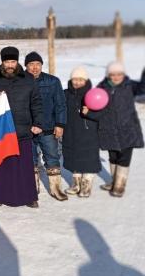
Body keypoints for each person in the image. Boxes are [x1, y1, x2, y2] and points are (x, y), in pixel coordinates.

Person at [0, 46, 43, 208]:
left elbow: (36, 102)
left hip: (23, 128)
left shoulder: (28, 79)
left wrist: (38, 123)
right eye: (7, 61)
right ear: (2, 62)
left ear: (17, 62)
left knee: (24, 165)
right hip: (0, 130)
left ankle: (28, 196)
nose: (10, 65)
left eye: (13, 61)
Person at [96, 63, 145, 197]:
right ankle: (113, 181)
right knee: (113, 157)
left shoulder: (130, 85)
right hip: (109, 129)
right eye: (113, 74)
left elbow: (143, 88)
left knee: (124, 157)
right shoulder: (102, 87)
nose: (116, 77)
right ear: (108, 75)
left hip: (128, 129)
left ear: (123, 75)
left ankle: (119, 186)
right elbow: (94, 100)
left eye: (119, 74)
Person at [24, 51, 68, 201]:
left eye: (38, 64)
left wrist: (60, 124)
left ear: (42, 65)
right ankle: (32, 189)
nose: (35, 68)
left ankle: (56, 189)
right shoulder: (20, 81)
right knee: (30, 159)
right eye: (31, 64)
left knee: (52, 158)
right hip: (27, 130)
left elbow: (60, 104)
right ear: (26, 66)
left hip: (48, 128)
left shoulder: (53, 81)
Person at [62, 67, 101, 197]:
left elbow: (103, 115)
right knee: (73, 157)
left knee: (88, 159)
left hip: (88, 132)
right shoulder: (66, 93)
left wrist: (89, 113)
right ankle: (76, 184)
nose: (77, 82)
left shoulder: (93, 94)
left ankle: (86, 186)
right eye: (75, 79)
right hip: (70, 131)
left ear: (86, 80)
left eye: (80, 80)